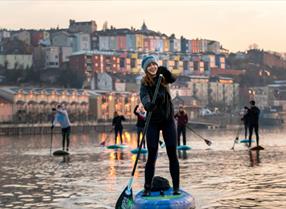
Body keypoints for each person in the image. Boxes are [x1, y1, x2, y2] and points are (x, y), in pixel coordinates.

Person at [140, 55, 180, 196]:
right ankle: (147, 188)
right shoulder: (144, 83)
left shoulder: (163, 78)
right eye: (149, 65)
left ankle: (176, 187)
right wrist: (148, 104)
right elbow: (144, 96)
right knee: (152, 155)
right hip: (153, 122)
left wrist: (167, 72)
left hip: (168, 120)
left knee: (172, 154)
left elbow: (174, 78)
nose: (152, 67)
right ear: (146, 69)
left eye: (154, 64)